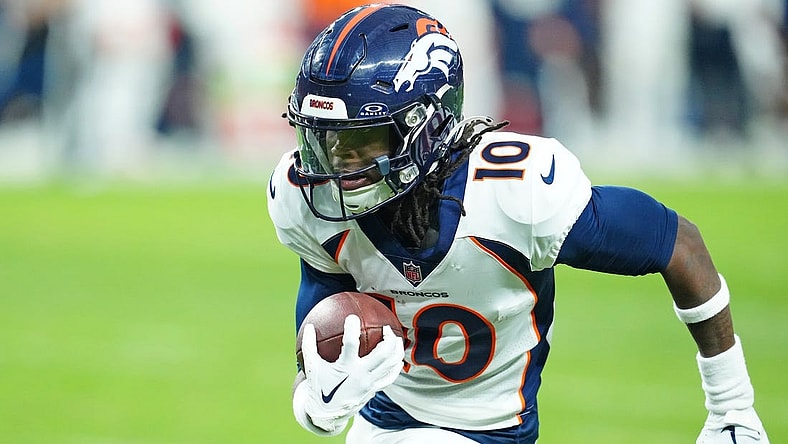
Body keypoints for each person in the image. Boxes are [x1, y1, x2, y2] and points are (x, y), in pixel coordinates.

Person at [267, 4, 769, 443]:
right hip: (380, 430)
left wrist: (731, 403)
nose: (336, 166)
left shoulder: (515, 194)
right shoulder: (308, 200)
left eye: (363, 140)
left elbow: (676, 242)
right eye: (323, 139)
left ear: (427, 125)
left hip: (487, 434)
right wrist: (314, 404)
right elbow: (320, 331)